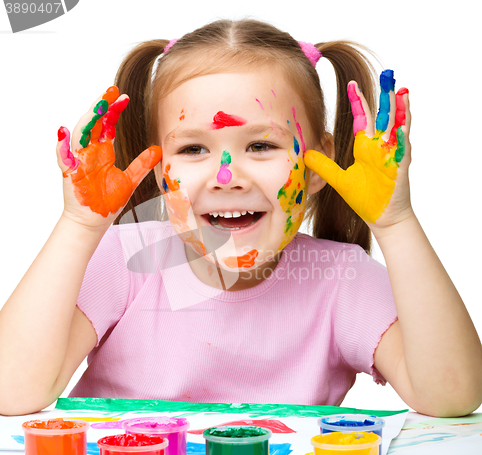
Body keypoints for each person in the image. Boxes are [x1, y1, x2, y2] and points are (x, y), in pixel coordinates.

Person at [0, 19, 481, 417]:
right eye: (192, 148)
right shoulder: (126, 259)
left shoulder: (341, 281)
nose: (226, 176)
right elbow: (11, 392)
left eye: (261, 145)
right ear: (156, 166)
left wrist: (395, 224)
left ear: (320, 166)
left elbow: (452, 395)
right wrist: (79, 226)